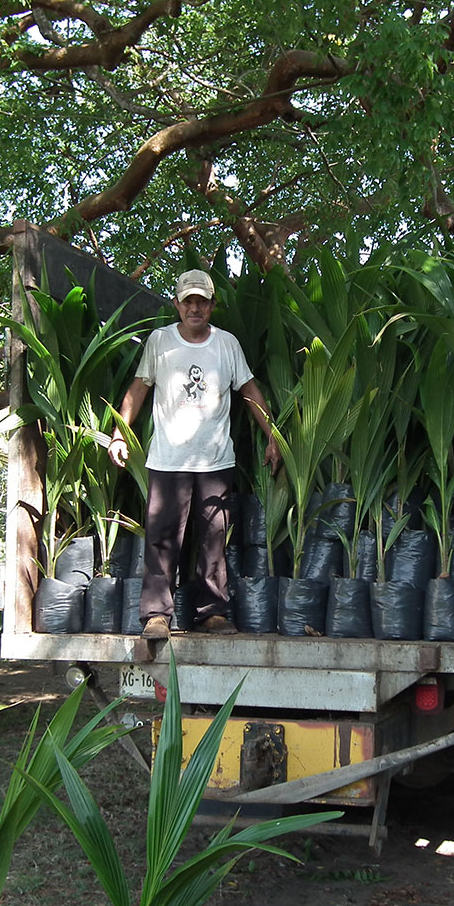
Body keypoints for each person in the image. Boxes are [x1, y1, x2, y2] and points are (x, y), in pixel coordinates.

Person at [108, 269, 280, 639]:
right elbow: (138, 389)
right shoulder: (160, 342)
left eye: (202, 301)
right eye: (189, 301)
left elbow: (249, 390)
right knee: (161, 538)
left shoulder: (227, 345)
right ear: (177, 304)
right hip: (168, 459)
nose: (195, 308)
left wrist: (272, 436)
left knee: (213, 539)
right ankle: (156, 615)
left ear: (213, 305)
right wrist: (119, 435)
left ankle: (213, 613)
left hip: (215, 460)